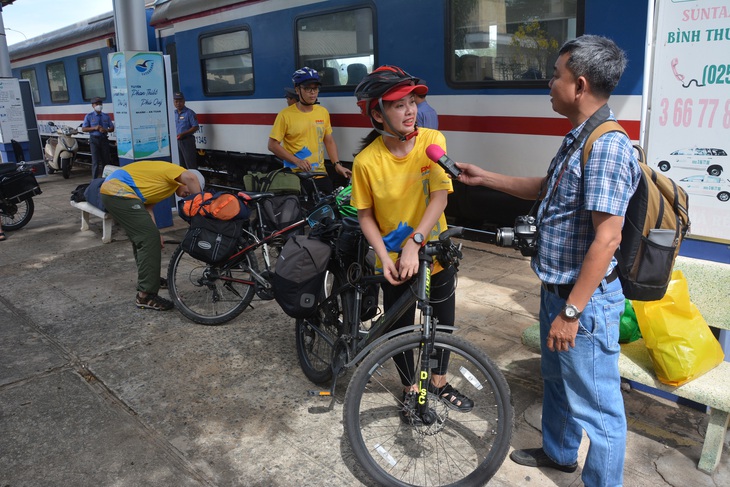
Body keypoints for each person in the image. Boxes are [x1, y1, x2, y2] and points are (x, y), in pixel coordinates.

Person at [456, 35, 640, 486]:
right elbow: (546, 189)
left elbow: (608, 238)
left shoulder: (607, 146)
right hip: (557, 290)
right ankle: (559, 454)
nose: (549, 85)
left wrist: (572, 312)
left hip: (586, 304)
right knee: (558, 382)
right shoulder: (580, 137)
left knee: (600, 412)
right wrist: (487, 179)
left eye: (555, 76)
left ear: (578, 85)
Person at [350, 65, 474, 421]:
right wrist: (384, 254)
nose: (410, 111)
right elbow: (365, 216)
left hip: (433, 251)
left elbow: (440, 198)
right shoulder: (366, 162)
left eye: (412, 102)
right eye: (399, 105)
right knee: (401, 327)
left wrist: (415, 241)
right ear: (377, 113)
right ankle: (410, 390)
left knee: (442, 321)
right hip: (393, 258)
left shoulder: (433, 142)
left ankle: (438, 381)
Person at [100, 161, 205, 311]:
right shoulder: (176, 172)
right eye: (191, 190)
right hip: (117, 190)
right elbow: (191, 178)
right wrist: (201, 207)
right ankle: (145, 295)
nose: (188, 195)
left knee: (147, 237)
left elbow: (148, 208)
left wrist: (156, 233)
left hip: (115, 191)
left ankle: (151, 280)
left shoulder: (167, 187)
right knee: (148, 239)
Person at [268, 67, 351, 196]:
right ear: (297, 90)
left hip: (320, 174)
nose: (313, 93)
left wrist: (337, 165)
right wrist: (297, 161)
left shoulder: (322, 112)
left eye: (315, 88)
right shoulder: (285, 115)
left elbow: (328, 140)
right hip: (296, 177)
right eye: (307, 89)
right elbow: (272, 145)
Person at [81, 97, 115, 179]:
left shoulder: (106, 116)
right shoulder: (89, 116)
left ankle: (106, 179)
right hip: (94, 140)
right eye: (97, 104)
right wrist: (94, 128)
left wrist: (105, 130)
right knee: (95, 161)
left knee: (106, 161)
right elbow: (84, 128)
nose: (99, 106)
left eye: (100, 104)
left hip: (104, 139)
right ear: (93, 105)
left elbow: (112, 128)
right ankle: (94, 180)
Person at [173, 92, 199, 170]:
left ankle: (195, 180)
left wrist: (183, 134)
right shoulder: (173, 113)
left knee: (190, 164)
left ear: (184, 101)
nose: (178, 103)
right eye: (176, 101)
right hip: (177, 141)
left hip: (187, 141)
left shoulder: (189, 113)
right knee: (180, 164)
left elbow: (195, 127)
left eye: (180, 101)